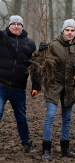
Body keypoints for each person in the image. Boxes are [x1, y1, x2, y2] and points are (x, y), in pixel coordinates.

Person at [34, 19, 75, 159]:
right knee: (51, 115)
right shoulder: (52, 45)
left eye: (72, 30)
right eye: (67, 30)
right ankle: (46, 149)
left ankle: (65, 148)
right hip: (53, 85)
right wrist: (39, 50)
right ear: (63, 31)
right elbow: (37, 61)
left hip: (69, 86)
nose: (69, 33)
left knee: (67, 118)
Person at [0, 15, 40, 153]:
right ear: (9, 25)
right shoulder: (2, 37)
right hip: (1, 85)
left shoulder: (29, 43)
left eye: (19, 24)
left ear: (22, 26)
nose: (16, 26)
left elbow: (34, 66)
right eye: (13, 24)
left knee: (21, 117)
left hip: (18, 87)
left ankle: (26, 143)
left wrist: (36, 86)